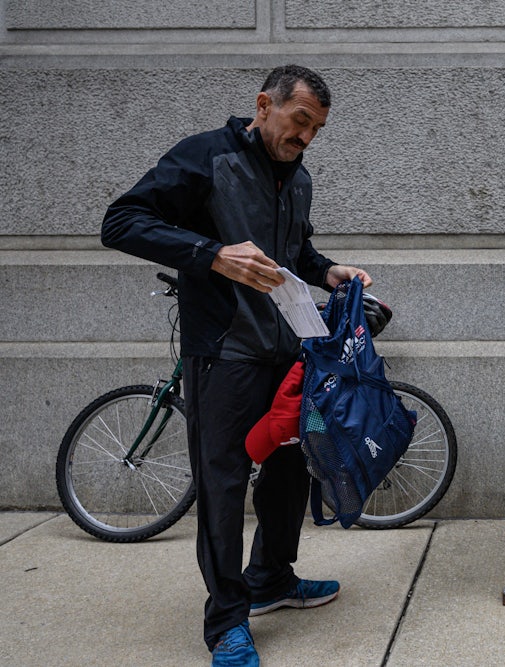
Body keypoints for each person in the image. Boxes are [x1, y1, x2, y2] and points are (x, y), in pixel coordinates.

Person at [102, 64, 371, 667]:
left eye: (315, 132)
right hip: (226, 353)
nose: (303, 141)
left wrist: (329, 271)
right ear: (263, 105)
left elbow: (294, 253)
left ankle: (272, 579)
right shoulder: (205, 157)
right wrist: (210, 254)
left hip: (287, 351)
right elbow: (119, 221)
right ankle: (226, 621)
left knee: (289, 472)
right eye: (298, 124)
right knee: (223, 487)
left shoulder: (296, 179)